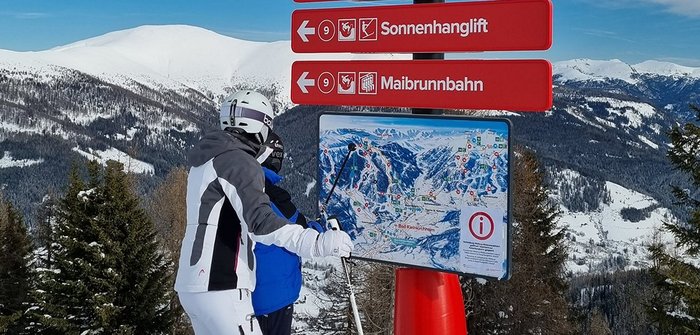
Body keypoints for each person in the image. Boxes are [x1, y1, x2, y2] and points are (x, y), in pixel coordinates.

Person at [175, 90, 353, 335]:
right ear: (261, 125)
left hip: (192, 285)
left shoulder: (205, 161)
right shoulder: (240, 160)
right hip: (222, 284)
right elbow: (260, 221)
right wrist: (316, 242)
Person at [254, 131, 325, 335]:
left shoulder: (237, 185)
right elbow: (302, 231)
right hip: (272, 298)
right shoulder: (274, 198)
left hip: (243, 295)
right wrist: (320, 228)